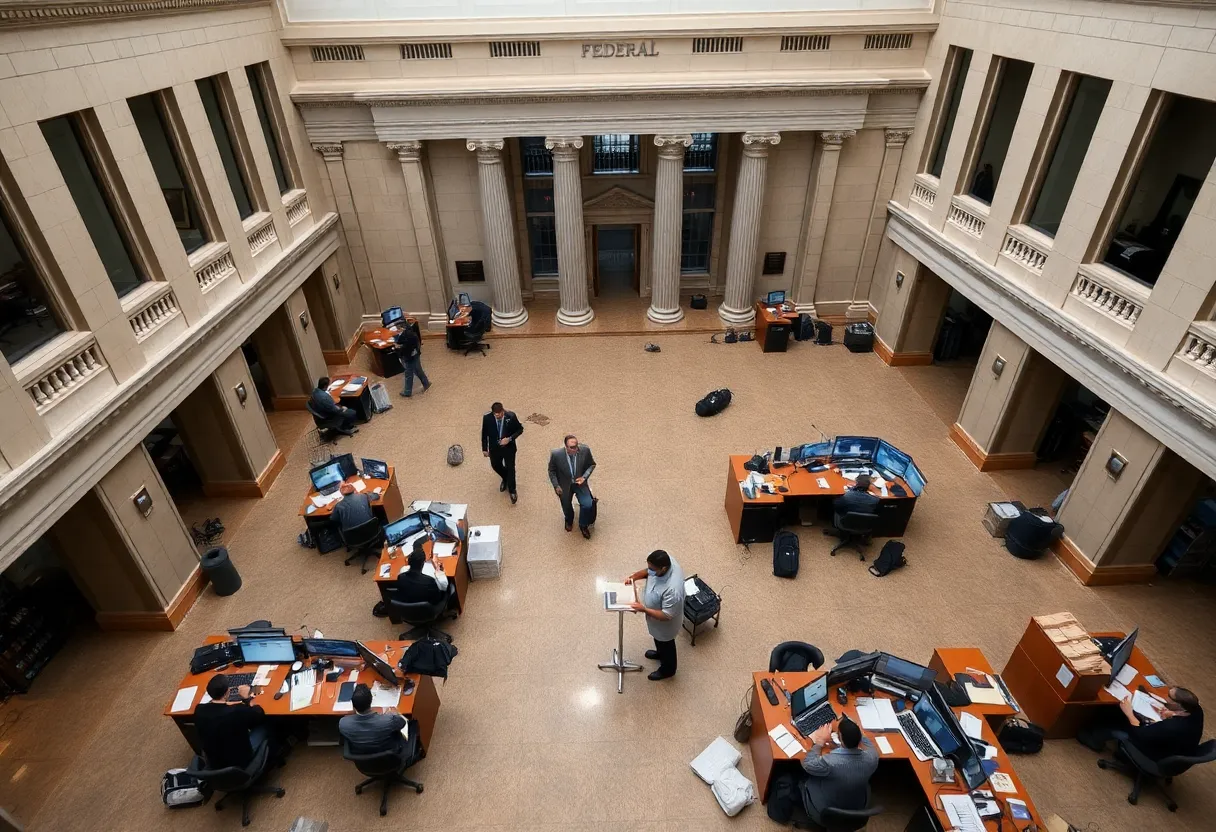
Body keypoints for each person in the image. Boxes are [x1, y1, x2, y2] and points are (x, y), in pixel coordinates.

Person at [799, 717, 878, 824]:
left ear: (840, 737)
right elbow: (867, 743)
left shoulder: (830, 762)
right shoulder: (872, 758)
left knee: (803, 778)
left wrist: (820, 741)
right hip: (856, 807)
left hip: (827, 811)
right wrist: (856, 731)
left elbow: (807, 764)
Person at [623, 550, 685, 681]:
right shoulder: (665, 562)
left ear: (663, 568)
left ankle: (668, 670)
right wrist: (633, 577)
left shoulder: (673, 590)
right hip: (655, 620)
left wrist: (644, 609)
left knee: (666, 644)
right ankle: (660, 653)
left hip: (665, 625)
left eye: (652, 569)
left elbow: (666, 615)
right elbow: (648, 571)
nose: (649, 571)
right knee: (659, 641)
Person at [193, 673, 269, 770]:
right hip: (241, 761)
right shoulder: (236, 711)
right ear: (227, 692)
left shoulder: (199, 710)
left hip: (216, 763)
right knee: (266, 725)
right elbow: (259, 713)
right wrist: (247, 698)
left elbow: (215, 709)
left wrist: (225, 704)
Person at [1116, 687, 1204, 761]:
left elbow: (1140, 734)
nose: (1166, 698)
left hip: (1157, 756)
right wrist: (1173, 713)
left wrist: (1129, 714)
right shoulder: (1196, 709)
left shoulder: (1171, 727)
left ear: (1179, 705)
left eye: (1169, 697)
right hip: (1177, 746)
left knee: (1123, 717)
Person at [338, 683, 408, 756]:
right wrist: (394, 714)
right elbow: (402, 723)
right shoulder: (388, 720)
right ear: (371, 700)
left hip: (362, 756)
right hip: (387, 753)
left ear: (353, 705)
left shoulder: (343, 723)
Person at [548, 435, 597, 538]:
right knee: (566, 506)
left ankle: (583, 525)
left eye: (576, 446)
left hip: (580, 484)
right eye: (572, 447)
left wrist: (584, 477)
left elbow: (591, 465)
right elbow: (551, 471)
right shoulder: (556, 455)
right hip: (564, 485)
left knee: (587, 504)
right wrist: (556, 485)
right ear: (566, 447)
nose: (575, 449)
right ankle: (569, 520)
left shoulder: (585, 451)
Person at [481, 402, 523, 504]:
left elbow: (520, 429)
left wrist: (509, 439)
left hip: (509, 448)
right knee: (495, 465)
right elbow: (484, 433)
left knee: (510, 468)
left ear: (503, 411)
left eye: (499, 414)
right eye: (496, 414)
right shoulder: (487, 418)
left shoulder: (511, 417)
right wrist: (484, 449)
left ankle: (512, 490)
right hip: (494, 449)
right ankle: (505, 478)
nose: (498, 416)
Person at [394, 540, 450, 606]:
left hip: (409, 605)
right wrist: (438, 571)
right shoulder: (429, 579)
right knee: (450, 588)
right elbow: (444, 587)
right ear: (423, 564)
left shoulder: (401, 574)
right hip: (430, 607)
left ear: (409, 562)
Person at [395, 323, 430, 398]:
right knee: (418, 370)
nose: (397, 330)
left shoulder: (405, 336)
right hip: (415, 355)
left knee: (408, 374)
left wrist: (398, 347)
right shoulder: (411, 332)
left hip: (409, 357)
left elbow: (406, 348)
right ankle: (426, 383)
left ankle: (407, 392)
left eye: (398, 329)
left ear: (402, 328)